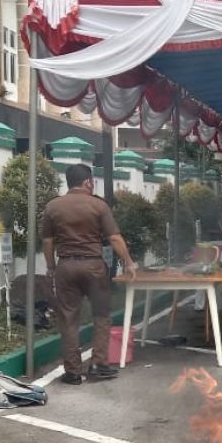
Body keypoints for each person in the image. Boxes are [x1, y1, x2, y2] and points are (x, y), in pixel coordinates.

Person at [42, 163, 137, 386]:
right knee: (101, 315)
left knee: (68, 319)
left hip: (66, 266)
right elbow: (114, 238)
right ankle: (98, 365)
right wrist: (129, 262)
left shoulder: (53, 207)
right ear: (88, 182)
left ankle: (73, 372)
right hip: (94, 267)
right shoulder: (98, 205)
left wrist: (51, 266)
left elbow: (47, 241)